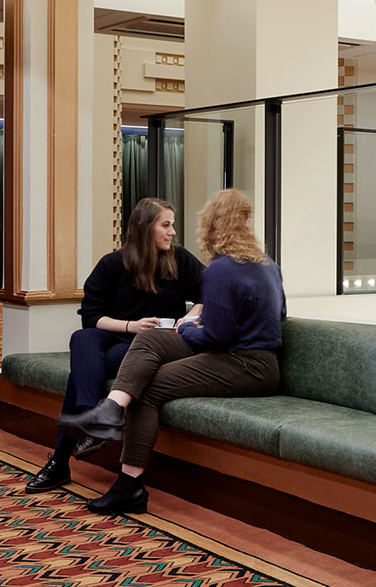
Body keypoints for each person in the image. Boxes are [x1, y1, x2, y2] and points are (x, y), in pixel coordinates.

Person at [57, 188, 285, 514]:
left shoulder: (221, 268)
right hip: (252, 359)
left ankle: (130, 486)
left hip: (245, 364)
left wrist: (190, 326)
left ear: (211, 225)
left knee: (146, 389)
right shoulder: (266, 264)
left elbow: (216, 338)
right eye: (167, 225)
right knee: (150, 340)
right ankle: (109, 409)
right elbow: (280, 316)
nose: (175, 232)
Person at [25, 198, 204, 493]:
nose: (172, 232)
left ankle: (61, 460)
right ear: (146, 228)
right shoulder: (112, 264)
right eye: (166, 225)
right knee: (82, 339)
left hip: (151, 346)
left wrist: (188, 317)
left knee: (80, 374)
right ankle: (91, 415)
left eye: (172, 225)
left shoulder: (180, 259)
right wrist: (131, 325)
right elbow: (91, 318)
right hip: (121, 331)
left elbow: (208, 291)